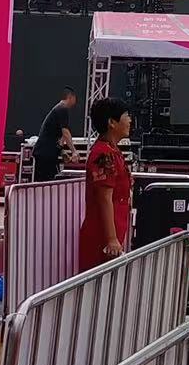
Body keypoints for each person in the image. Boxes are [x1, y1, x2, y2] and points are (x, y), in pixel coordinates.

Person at [78, 97, 133, 270]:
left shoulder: (112, 151)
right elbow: (104, 198)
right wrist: (111, 239)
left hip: (115, 231)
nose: (130, 120)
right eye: (126, 115)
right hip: (102, 238)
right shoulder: (103, 154)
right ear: (112, 122)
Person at [32, 87, 77, 182]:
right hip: (45, 154)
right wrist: (74, 151)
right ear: (70, 97)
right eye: (75, 98)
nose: (75, 102)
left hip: (45, 152)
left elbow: (54, 136)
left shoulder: (58, 109)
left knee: (45, 183)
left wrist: (61, 151)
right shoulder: (62, 108)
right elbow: (65, 132)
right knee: (48, 182)